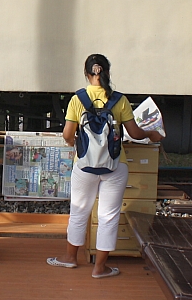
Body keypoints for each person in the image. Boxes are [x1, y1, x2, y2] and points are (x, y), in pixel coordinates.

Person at [47, 54, 164, 278]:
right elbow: (135, 133)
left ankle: (71, 258)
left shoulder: (77, 99)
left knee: (79, 212)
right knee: (108, 216)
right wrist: (152, 133)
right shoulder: (120, 100)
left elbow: (68, 134)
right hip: (115, 166)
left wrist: (75, 144)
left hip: (84, 166)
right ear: (108, 72)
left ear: (86, 73)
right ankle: (100, 268)